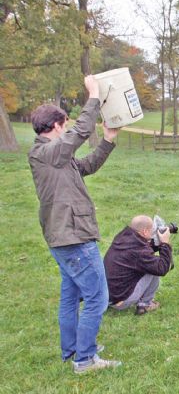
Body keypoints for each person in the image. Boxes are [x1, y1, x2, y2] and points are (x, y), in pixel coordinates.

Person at [28, 76, 121, 374]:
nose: (66, 128)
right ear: (56, 126)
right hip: (73, 237)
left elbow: (88, 166)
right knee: (97, 296)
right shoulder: (46, 152)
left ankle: (73, 350)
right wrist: (94, 96)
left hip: (64, 236)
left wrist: (108, 140)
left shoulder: (56, 157)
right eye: (64, 125)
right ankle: (85, 360)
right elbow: (81, 131)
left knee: (70, 295)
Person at [103, 215, 173, 316]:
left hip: (107, 296)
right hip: (120, 300)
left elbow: (141, 253)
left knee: (149, 264)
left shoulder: (123, 237)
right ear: (145, 231)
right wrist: (165, 243)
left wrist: (156, 244)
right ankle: (145, 304)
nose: (154, 232)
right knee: (154, 268)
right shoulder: (139, 252)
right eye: (152, 230)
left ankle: (135, 300)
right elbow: (161, 268)